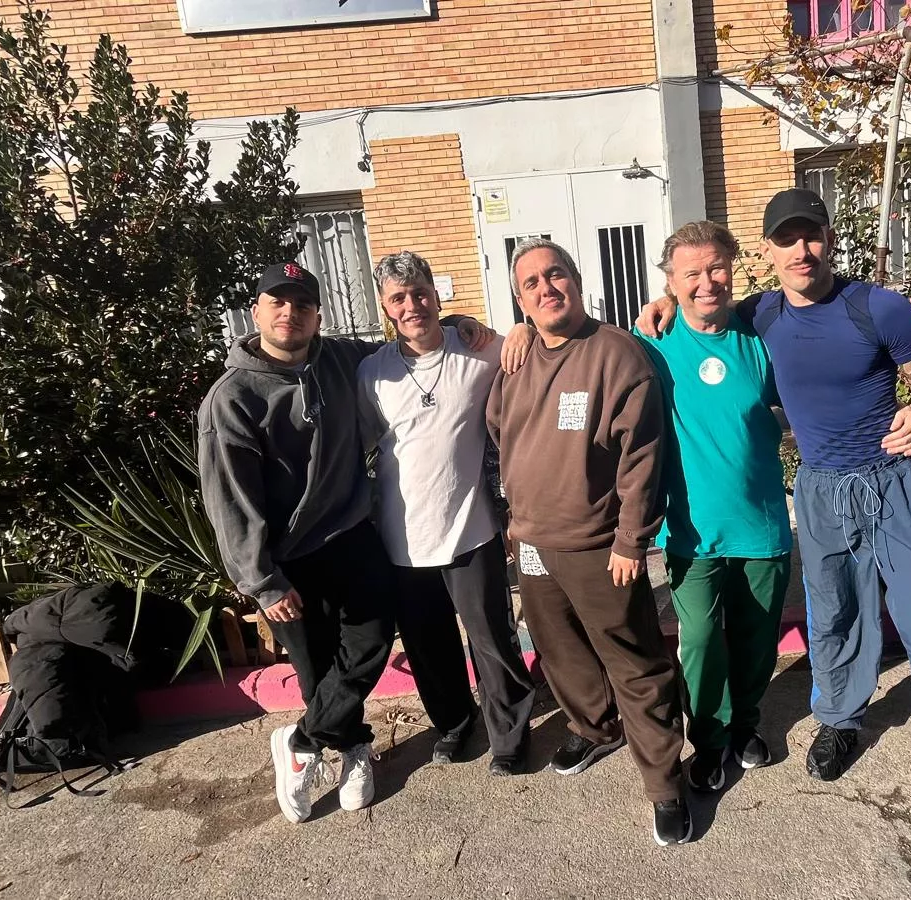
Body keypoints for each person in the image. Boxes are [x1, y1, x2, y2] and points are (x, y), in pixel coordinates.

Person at [636, 190, 911, 842]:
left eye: (811, 237)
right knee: (834, 619)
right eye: (788, 240)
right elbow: (701, 304)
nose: (801, 251)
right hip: (822, 488)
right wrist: (663, 300)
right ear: (770, 252)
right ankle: (839, 720)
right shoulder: (763, 314)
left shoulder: (877, 307)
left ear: (829, 239)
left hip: (897, 487)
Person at [633, 221, 911, 795]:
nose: (705, 282)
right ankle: (710, 740)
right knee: (699, 640)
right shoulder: (653, 344)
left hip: (762, 521)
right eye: (689, 273)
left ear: (734, 268)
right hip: (690, 528)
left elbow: (803, 402)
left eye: (716, 267)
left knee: (755, 638)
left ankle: (745, 725)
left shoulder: (760, 337)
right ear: (670, 280)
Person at [198, 261, 492, 823]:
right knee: (316, 668)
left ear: (318, 314)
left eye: (303, 304)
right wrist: (263, 582)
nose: (291, 314)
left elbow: (411, 335)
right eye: (278, 303)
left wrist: (456, 320)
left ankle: (301, 742)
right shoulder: (232, 399)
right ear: (256, 311)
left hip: (352, 536)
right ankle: (349, 744)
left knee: (372, 639)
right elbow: (230, 500)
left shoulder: (338, 359)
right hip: (288, 560)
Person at [485, 238, 691, 847]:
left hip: (601, 546)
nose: (547, 289)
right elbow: (501, 434)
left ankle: (664, 781)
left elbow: (642, 459)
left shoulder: (617, 355)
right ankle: (597, 728)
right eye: (532, 283)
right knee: (559, 651)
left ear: (577, 281)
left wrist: (633, 540)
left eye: (557, 275)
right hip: (531, 542)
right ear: (521, 300)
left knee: (634, 660)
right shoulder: (515, 361)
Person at [356, 251, 536, 778]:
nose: (412, 305)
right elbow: (363, 443)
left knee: (492, 641)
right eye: (399, 298)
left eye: (420, 294)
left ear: (436, 295)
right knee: (429, 645)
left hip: (472, 530)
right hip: (401, 538)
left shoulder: (477, 350)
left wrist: (519, 328)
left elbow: (530, 349)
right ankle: (455, 725)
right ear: (386, 308)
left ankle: (509, 735)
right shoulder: (373, 374)